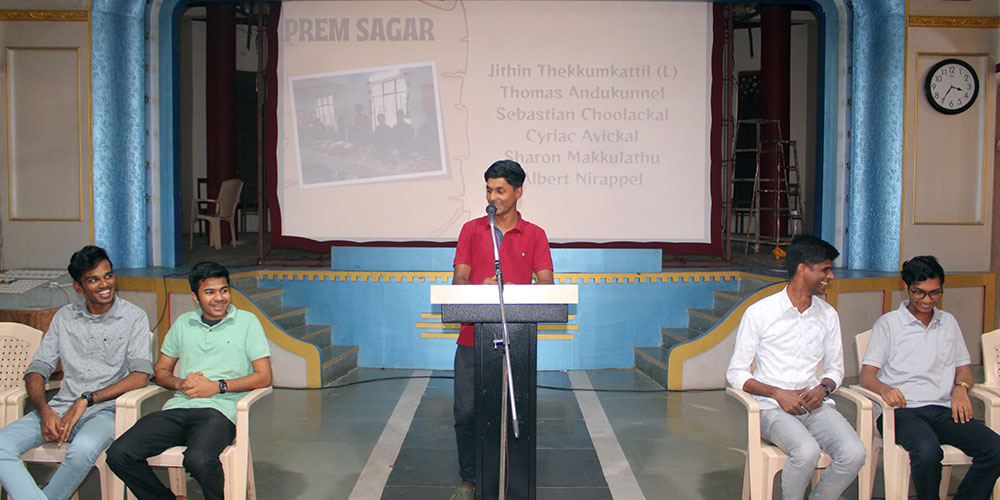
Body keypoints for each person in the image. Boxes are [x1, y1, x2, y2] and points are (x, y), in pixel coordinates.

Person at [106, 261, 272, 500]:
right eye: (210, 292)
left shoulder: (247, 322)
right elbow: (161, 370)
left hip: (220, 412)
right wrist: (179, 383)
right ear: (195, 297)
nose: (219, 298)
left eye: (224, 290)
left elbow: (264, 376)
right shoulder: (183, 323)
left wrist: (217, 386)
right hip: (177, 409)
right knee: (119, 453)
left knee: (199, 459)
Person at [0, 245, 151, 500]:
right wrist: (44, 411)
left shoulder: (134, 317)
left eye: (108, 276)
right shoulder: (64, 318)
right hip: (60, 408)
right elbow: (38, 369)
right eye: (93, 279)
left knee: (82, 450)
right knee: (1, 445)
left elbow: (140, 375)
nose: (105, 284)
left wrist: (87, 399)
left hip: (107, 411)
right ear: (78, 287)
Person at [726, 235, 866, 500]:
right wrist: (777, 393)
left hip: (815, 406)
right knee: (806, 452)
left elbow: (835, 370)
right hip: (771, 408)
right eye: (825, 269)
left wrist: (823, 389)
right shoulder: (760, 312)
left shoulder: (828, 315)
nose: (830, 276)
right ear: (803, 269)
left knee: (854, 453)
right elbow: (736, 373)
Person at [449, 160, 554, 500]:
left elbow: (547, 284)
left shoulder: (535, 234)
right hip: (472, 338)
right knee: (466, 412)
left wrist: (522, 290)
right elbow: (459, 279)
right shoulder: (471, 230)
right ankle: (468, 480)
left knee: (513, 414)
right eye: (489, 190)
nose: (493, 197)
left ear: (518, 192)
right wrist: (476, 289)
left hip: (516, 341)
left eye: (500, 190)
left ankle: (514, 480)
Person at [860, 256, 1000, 500]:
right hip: (902, 411)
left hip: (944, 409)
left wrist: (961, 388)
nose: (927, 300)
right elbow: (867, 375)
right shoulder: (889, 324)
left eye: (935, 293)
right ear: (906, 287)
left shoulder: (948, 322)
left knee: (995, 449)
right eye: (920, 293)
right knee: (927, 451)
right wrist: (885, 389)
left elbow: (964, 370)